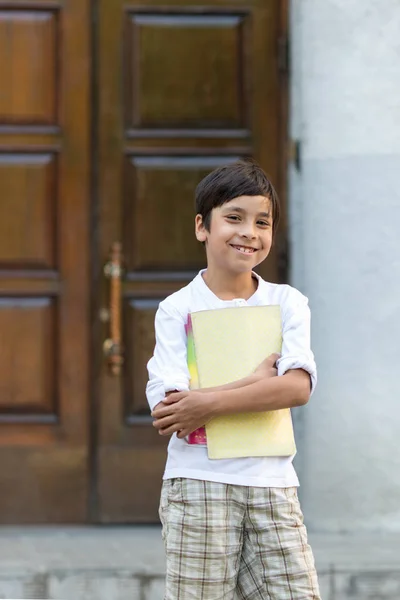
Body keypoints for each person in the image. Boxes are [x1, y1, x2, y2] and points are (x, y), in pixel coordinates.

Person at [146, 159, 320, 599]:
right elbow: (171, 413)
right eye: (235, 218)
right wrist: (255, 382)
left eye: (263, 222)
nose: (250, 232)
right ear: (202, 227)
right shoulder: (178, 309)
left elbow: (297, 387)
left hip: (274, 487)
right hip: (198, 485)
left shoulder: (287, 303)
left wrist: (206, 402)